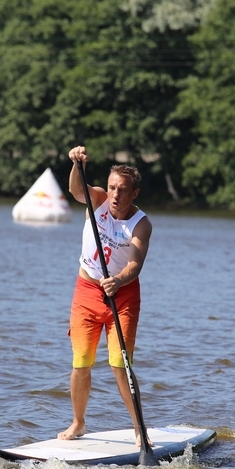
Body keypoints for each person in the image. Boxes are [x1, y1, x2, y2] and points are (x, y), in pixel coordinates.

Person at [58, 145, 153, 448]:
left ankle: (139, 429)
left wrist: (119, 279)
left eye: (122, 190)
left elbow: (135, 264)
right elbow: (75, 189)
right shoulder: (95, 199)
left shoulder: (141, 224)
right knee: (81, 363)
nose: (115, 195)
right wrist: (76, 163)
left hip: (122, 296)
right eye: (112, 187)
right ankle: (78, 423)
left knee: (119, 364)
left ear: (134, 194)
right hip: (86, 291)